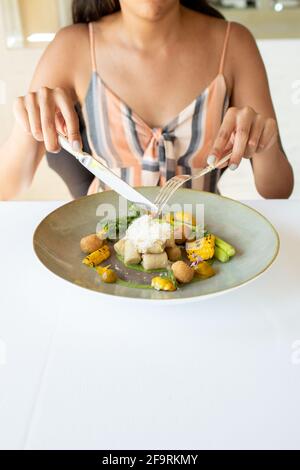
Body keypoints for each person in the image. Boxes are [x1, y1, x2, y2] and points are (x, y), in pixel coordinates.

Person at [0, 0, 294, 200]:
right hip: (101, 257)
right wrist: (28, 123)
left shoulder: (235, 43)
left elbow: (278, 190)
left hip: (204, 256)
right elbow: (7, 188)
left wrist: (263, 144)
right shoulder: (71, 47)